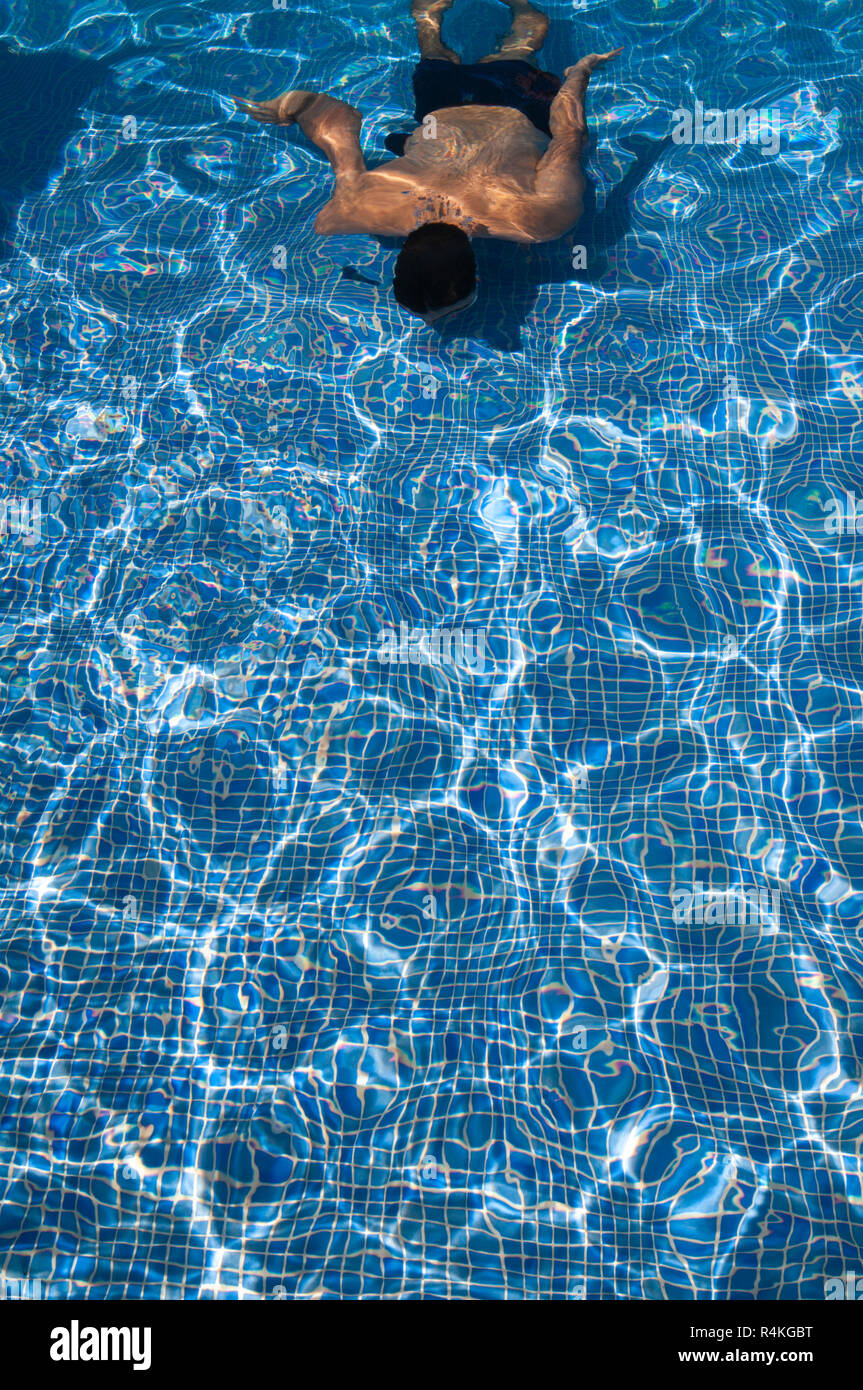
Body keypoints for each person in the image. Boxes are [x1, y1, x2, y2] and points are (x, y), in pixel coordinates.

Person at [235, 1, 621, 324]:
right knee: (435, 52)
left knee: (528, 33)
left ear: (476, 269)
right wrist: (293, 105)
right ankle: (428, 16)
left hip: (514, 106)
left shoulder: (541, 221)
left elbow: (572, 137)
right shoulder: (350, 210)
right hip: (440, 108)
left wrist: (578, 74)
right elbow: (337, 117)